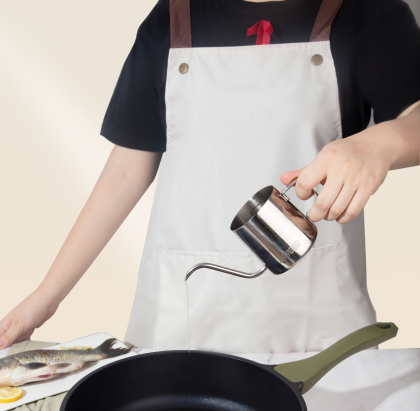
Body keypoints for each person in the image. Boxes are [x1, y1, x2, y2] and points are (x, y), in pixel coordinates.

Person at [1, 0, 420, 353]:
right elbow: (125, 173)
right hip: (184, 314)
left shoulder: (368, 12)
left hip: (315, 321)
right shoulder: (172, 18)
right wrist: (45, 299)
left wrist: (380, 143)